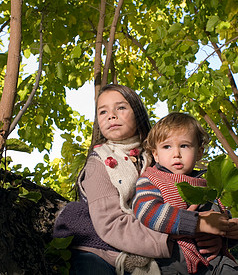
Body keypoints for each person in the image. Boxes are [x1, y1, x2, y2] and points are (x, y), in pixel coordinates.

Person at [53, 85, 228, 275]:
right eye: (103, 111)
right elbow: (111, 225)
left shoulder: (160, 155)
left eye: (121, 108)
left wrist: (215, 235)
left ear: (138, 112)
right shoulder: (99, 164)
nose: (111, 115)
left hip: (158, 242)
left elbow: (193, 206)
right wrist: (190, 228)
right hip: (103, 249)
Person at [132, 112, 238, 274]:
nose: (176, 154)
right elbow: (147, 211)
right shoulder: (152, 179)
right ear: (155, 154)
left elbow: (220, 218)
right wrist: (196, 224)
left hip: (214, 261)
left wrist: (228, 233)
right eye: (167, 147)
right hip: (173, 261)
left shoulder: (208, 183)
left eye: (184, 146)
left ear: (200, 152)